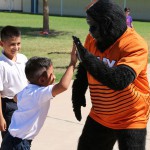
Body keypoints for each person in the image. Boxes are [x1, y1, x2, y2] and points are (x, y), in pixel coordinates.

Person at [72, 0, 150, 150]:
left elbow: (119, 80)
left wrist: (87, 58)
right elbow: (84, 69)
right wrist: (78, 92)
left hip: (131, 117)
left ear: (107, 24)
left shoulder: (134, 44)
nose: (90, 30)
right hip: (101, 114)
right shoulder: (93, 39)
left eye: (94, 25)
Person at [1, 44, 77, 149]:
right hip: (19, 144)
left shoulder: (28, 90)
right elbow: (63, 86)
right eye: (52, 74)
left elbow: (15, 97)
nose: (54, 77)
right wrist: (72, 63)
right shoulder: (39, 93)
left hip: (11, 140)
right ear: (41, 80)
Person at [0, 26, 28, 140]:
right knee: (10, 140)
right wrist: (1, 117)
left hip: (24, 104)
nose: (16, 47)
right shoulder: (1, 65)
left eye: (18, 43)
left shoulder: (23, 58)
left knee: (24, 137)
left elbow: (29, 81)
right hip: (9, 107)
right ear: (2, 43)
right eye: (12, 44)